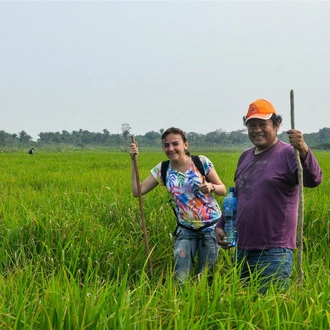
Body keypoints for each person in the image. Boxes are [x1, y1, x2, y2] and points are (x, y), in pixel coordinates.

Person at [215, 98, 322, 293]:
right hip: (242, 247)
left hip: (273, 250)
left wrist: (304, 149)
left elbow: (313, 179)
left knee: (270, 310)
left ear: (277, 125)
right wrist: (222, 225)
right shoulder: (245, 156)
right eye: (252, 125)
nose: (257, 130)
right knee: (244, 308)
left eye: (262, 124)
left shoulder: (289, 153)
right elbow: (238, 195)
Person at [130, 127, 226, 282]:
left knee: (206, 279)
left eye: (175, 144)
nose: (171, 148)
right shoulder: (163, 169)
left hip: (210, 229)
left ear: (185, 145)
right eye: (166, 145)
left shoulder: (201, 162)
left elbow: (222, 189)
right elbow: (137, 191)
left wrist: (211, 187)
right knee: (180, 278)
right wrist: (133, 162)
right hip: (185, 230)